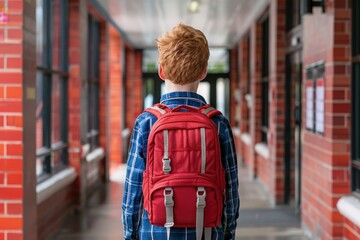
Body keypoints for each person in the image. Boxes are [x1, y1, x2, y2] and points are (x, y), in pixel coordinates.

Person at [122, 23, 239, 240]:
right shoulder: (217, 122)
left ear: (161, 71)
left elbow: (133, 190)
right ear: (203, 72)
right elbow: (231, 189)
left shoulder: (146, 121)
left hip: (155, 232)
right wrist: (227, 232)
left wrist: (130, 234)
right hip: (206, 231)